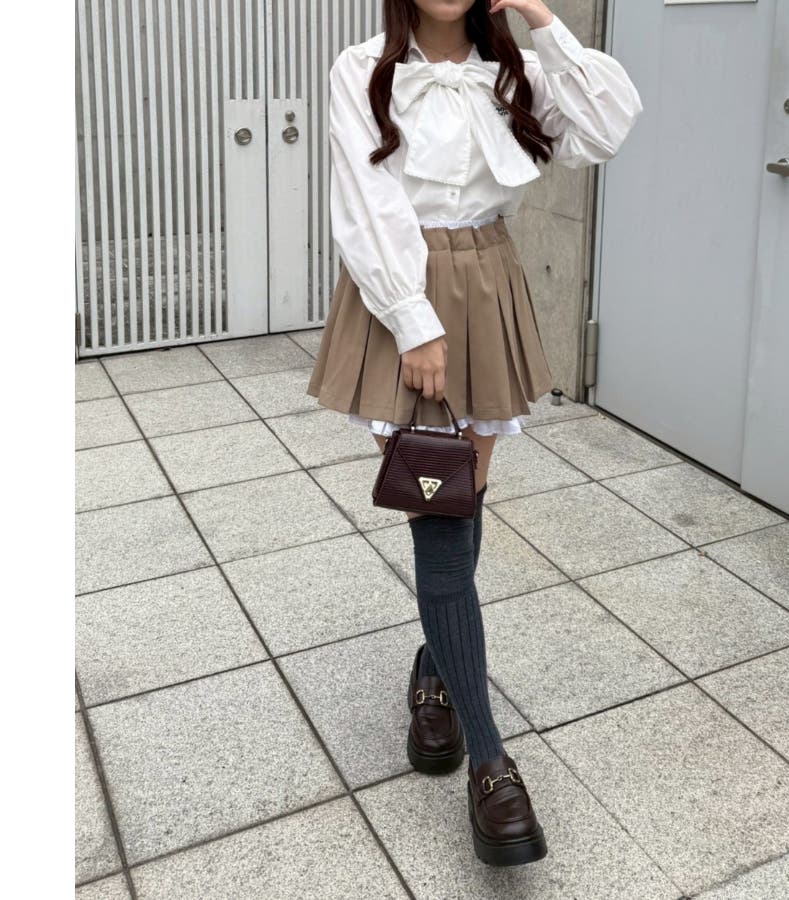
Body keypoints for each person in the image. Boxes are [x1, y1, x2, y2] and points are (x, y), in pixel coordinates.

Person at [306, 0, 642, 867]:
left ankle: (436, 668)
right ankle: (490, 761)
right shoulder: (361, 68)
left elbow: (607, 126)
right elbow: (364, 203)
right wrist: (413, 323)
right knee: (439, 514)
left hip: (488, 277)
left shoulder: (518, 73)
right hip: (399, 291)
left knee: (462, 498)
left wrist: (541, 19)